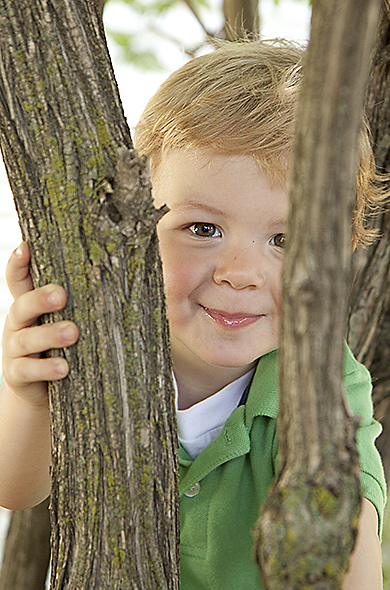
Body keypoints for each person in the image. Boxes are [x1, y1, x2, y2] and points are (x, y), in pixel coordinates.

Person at [0, 39, 386, 589]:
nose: (239, 271)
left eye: (285, 239)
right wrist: (28, 396)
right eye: (202, 230)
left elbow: (353, 564)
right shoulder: (102, 337)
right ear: (134, 227)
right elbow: (14, 488)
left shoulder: (322, 386)